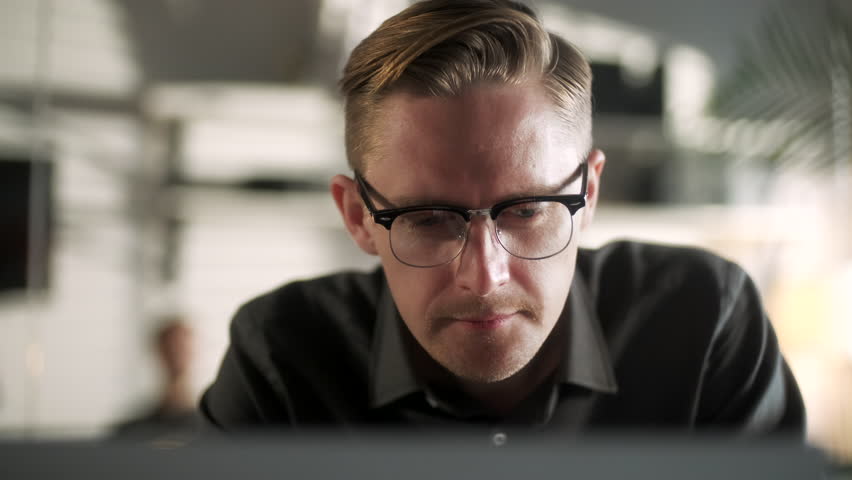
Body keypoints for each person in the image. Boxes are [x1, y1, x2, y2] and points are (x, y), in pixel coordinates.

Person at [200, 0, 804, 434]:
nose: (485, 278)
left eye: (530, 210)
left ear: (589, 194)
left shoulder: (703, 322)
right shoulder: (281, 357)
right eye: (430, 219)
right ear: (358, 216)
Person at [114, 318, 198, 442]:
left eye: (182, 347)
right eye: (170, 346)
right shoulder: (133, 431)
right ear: (159, 351)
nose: (176, 353)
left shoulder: (210, 429)